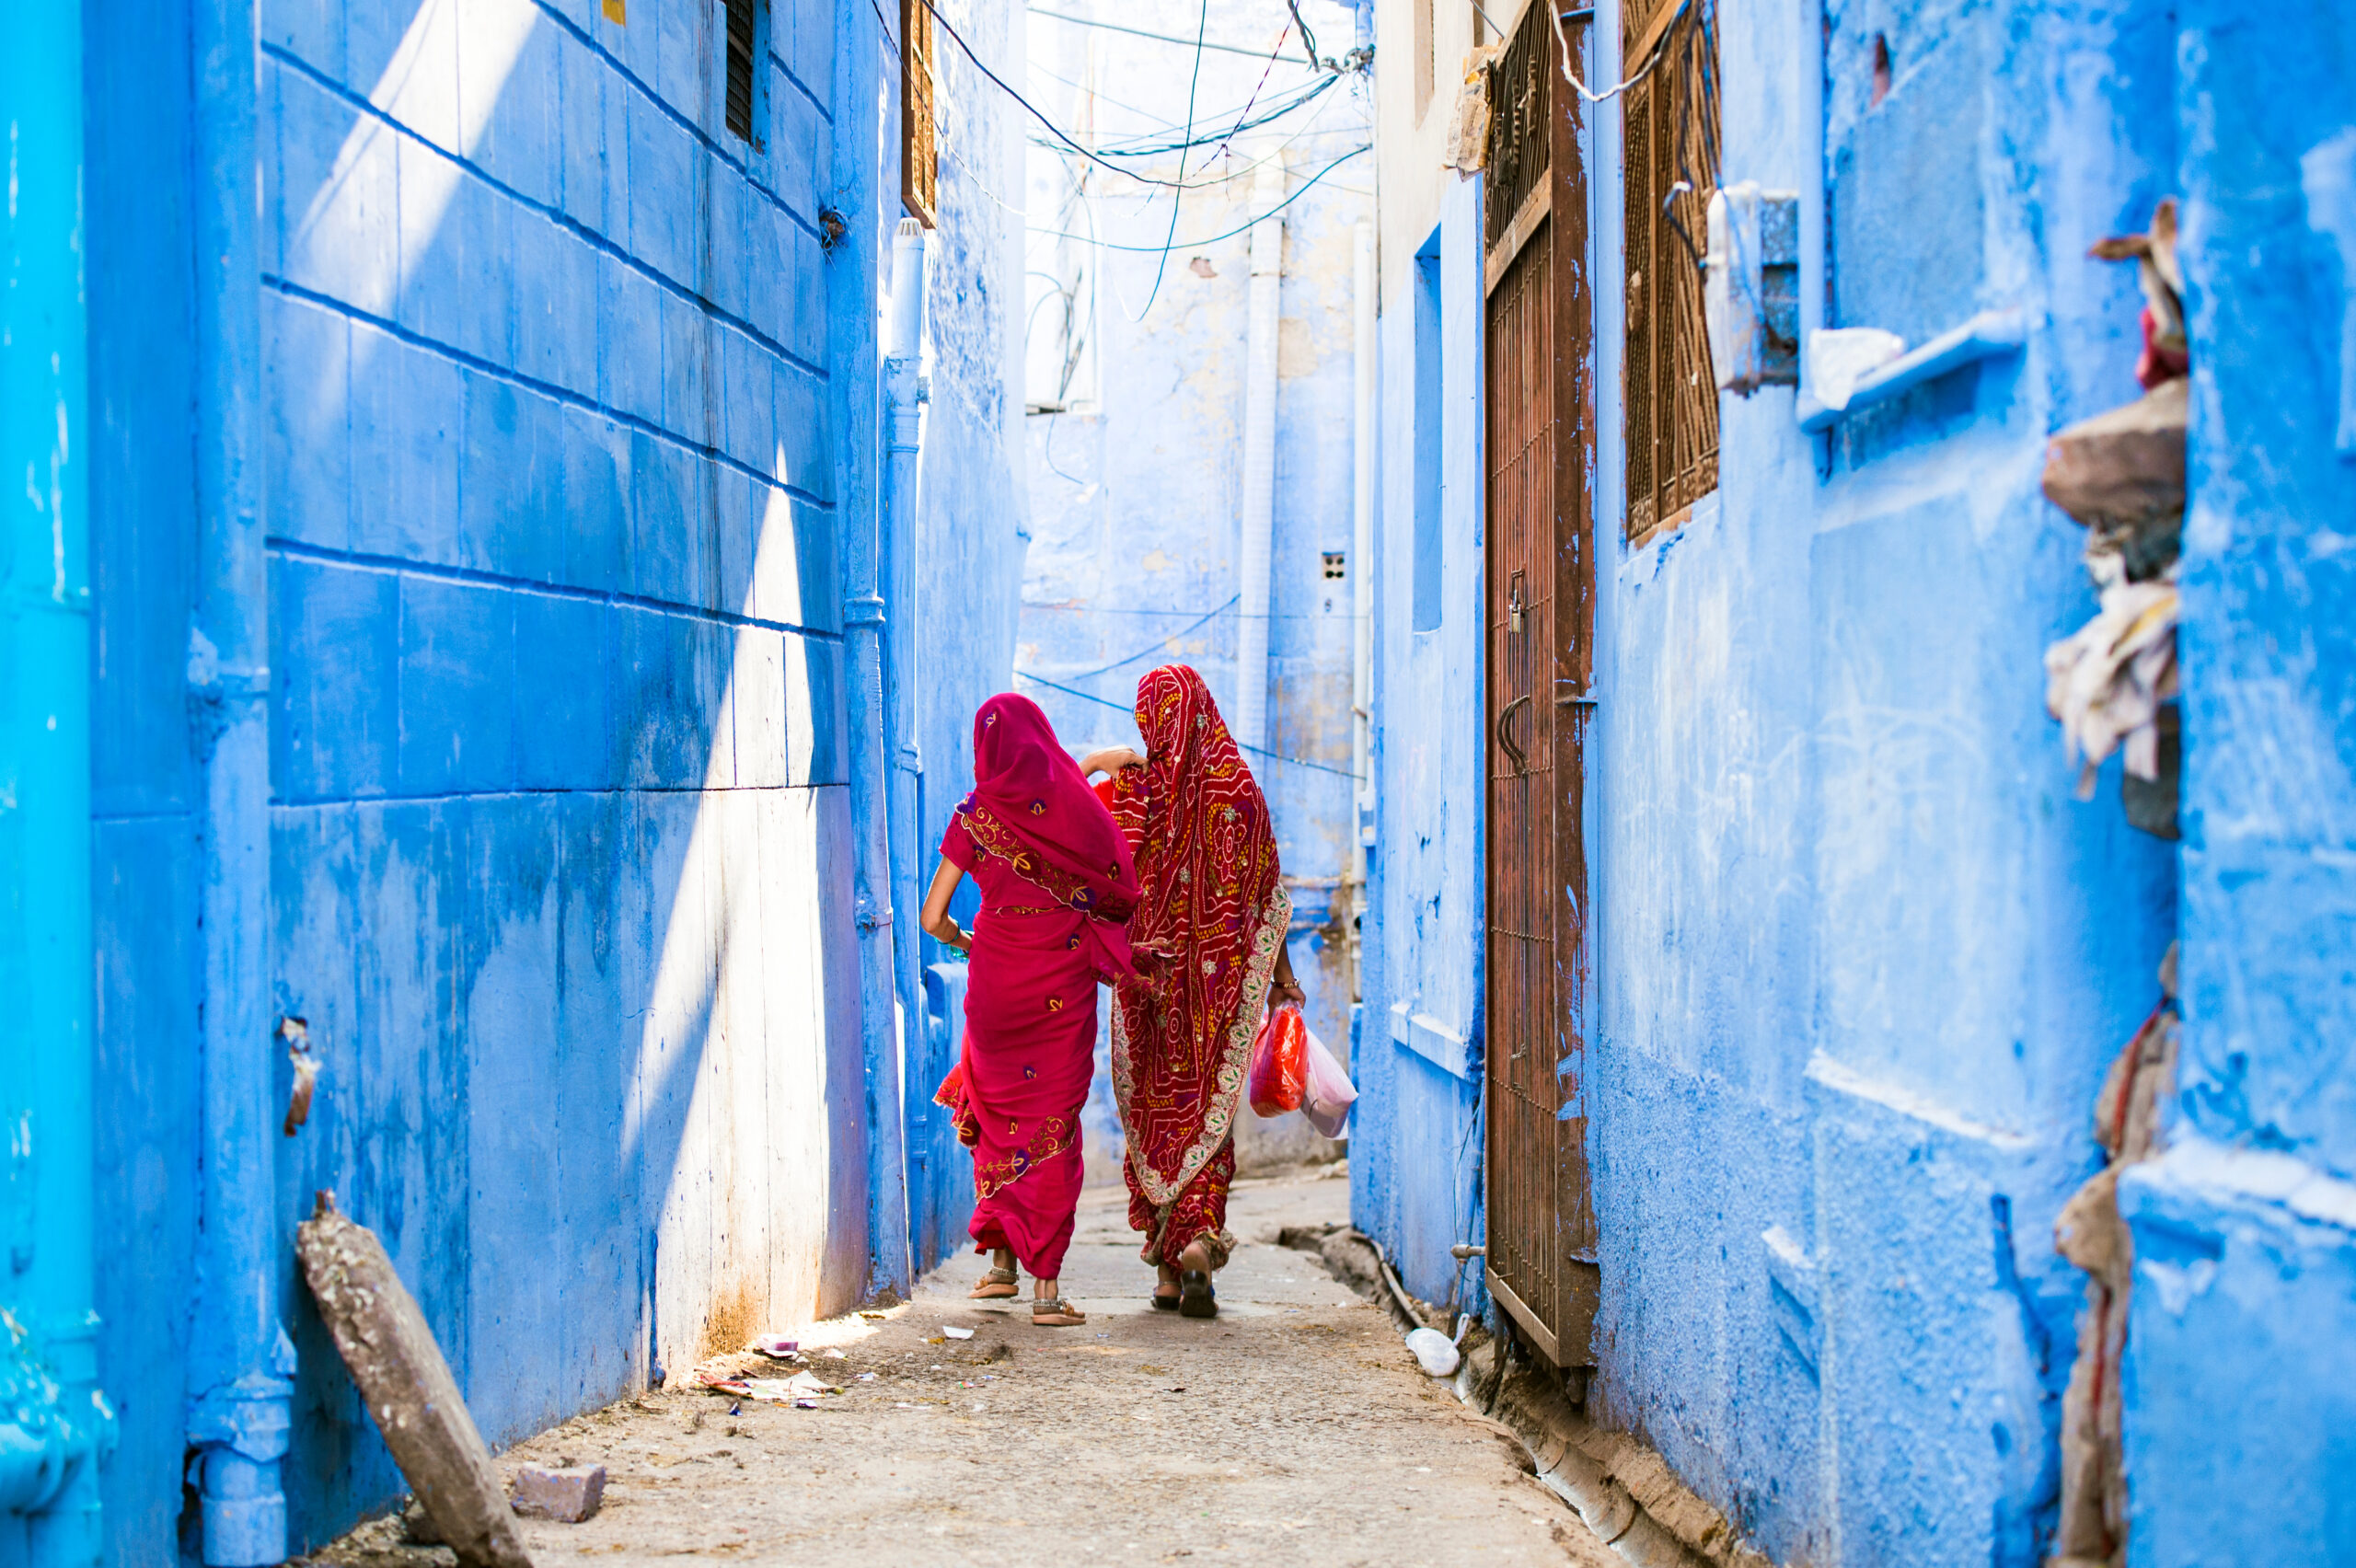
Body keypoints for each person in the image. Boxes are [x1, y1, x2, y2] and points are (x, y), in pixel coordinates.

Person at [1080, 665, 1306, 1319]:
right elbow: (1269, 901)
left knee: (1156, 1116)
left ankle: (1166, 1275)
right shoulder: (1240, 793)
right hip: (1218, 993)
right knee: (1208, 1116)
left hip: (1146, 984)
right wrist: (1281, 976)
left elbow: (1094, 853)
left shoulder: (1136, 790)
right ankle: (1199, 1242)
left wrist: (1107, 760)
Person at [920, 693, 1137, 1328]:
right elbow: (1108, 868)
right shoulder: (1069, 807)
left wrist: (970, 940)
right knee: (1051, 1123)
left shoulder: (973, 816)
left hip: (994, 984)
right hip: (1058, 988)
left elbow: (933, 918)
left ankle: (1000, 1268)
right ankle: (1046, 1293)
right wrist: (1095, 766)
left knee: (998, 1116)